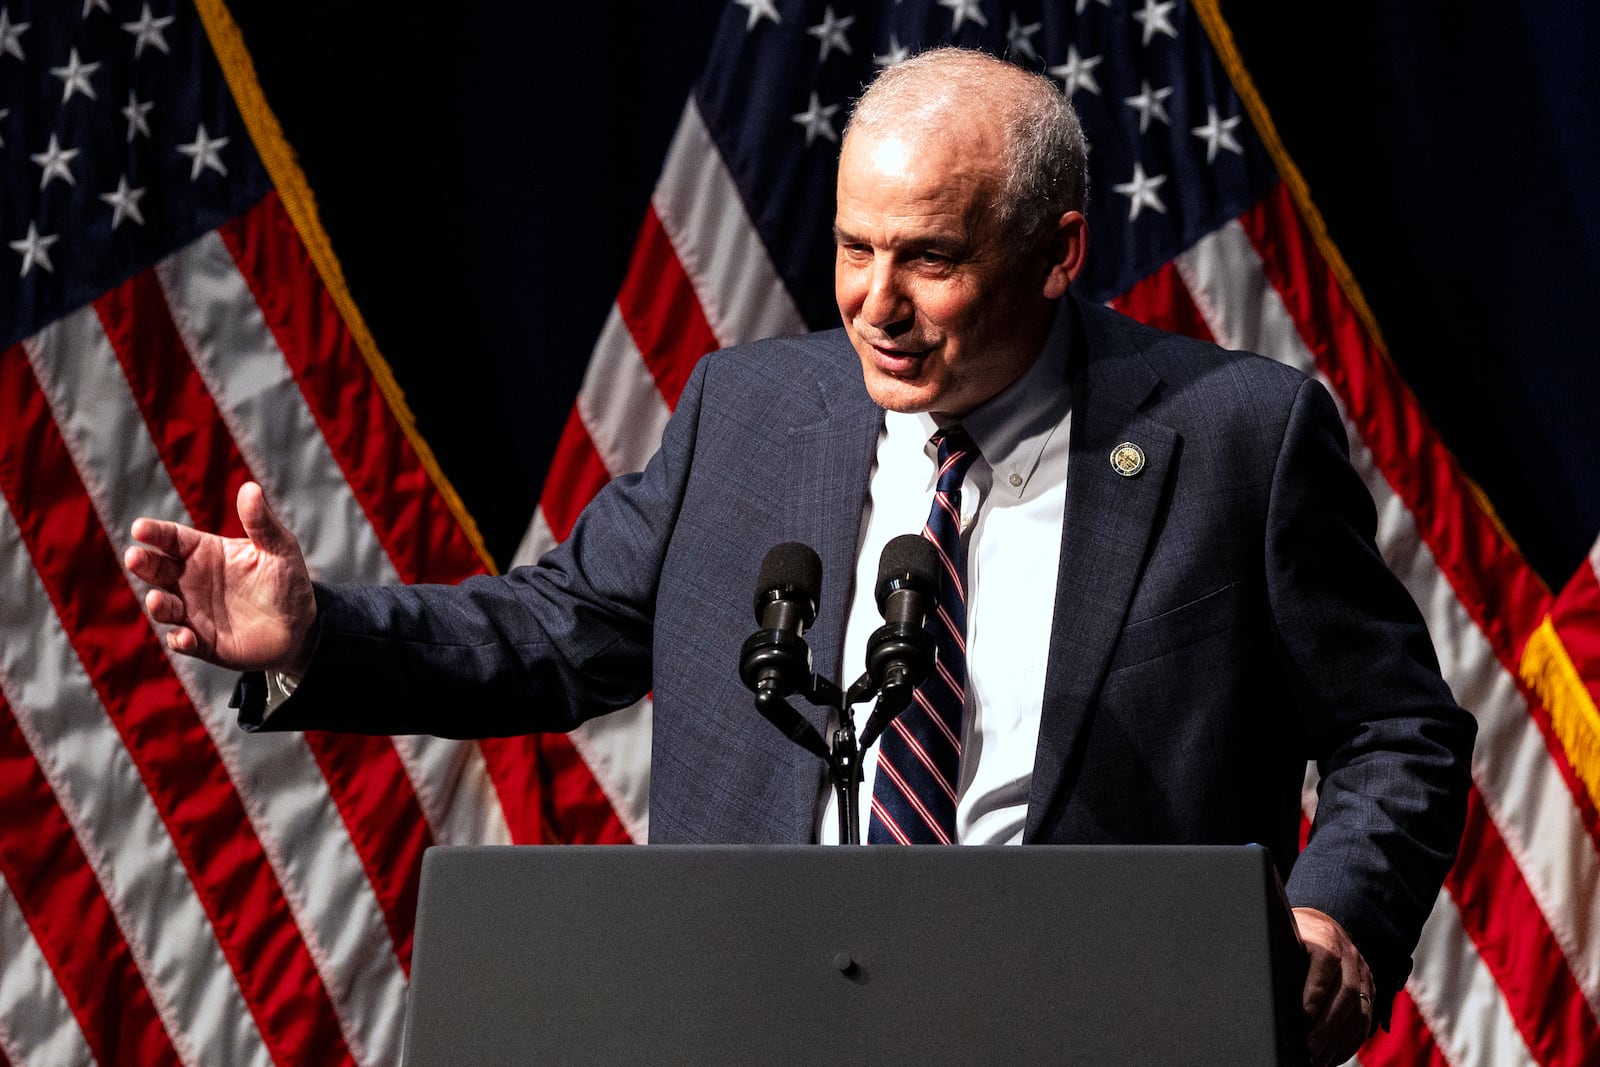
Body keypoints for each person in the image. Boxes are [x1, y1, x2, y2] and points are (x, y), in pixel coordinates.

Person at [126, 48, 1474, 1067]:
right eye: (854, 249)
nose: (876, 306)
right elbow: (554, 631)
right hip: (760, 1020)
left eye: (930, 259)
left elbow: (1399, 730)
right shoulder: (750, 414)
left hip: (1104, 1024)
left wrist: (1335, 917)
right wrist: (319, 637)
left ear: (1058, 250)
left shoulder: (1236, 437)